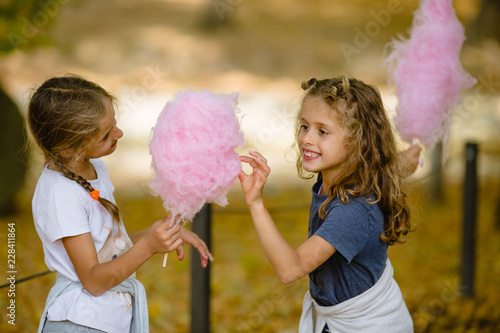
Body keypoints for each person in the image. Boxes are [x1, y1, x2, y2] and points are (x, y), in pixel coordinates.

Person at [28, 75, 212, 333]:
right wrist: (148, 246)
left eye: (114, 123)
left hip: (106, 320)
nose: (119, 133)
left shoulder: (95, 169)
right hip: (81, 323)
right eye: (106, 134)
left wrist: (155, 234)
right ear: (68, 149)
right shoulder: (61, 195)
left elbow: (109, 250)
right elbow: (93, 280)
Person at [239, 76, 420, 333]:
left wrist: (256, 203)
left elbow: (290, 270)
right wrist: (407, 161)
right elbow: (389, 166)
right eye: (304, 126)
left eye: (322, 131)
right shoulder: (355, 176)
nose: (307, 139)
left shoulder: (352, 211)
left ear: (358, 141)